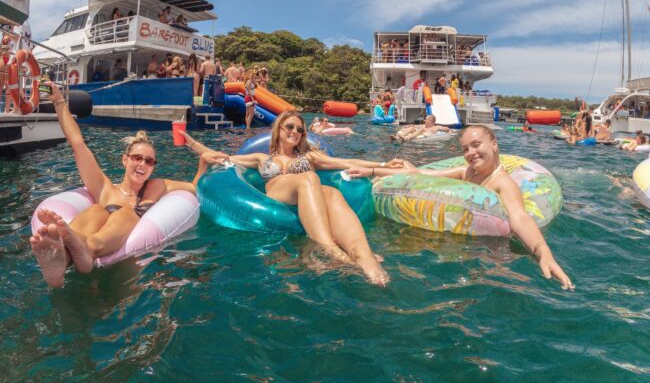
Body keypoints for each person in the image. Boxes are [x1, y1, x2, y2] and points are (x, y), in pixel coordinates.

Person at [180, 111, 406, 285]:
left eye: (300, 129)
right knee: (307, 178)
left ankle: (366, 259)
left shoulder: (309, 156)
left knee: (333, 193)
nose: (295, 132)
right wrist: (192, 144)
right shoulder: (261, 158)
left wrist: (383, 164)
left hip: (306, 194)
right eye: (290, 127)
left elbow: (348, 163)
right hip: (276, 197)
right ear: (279, 129)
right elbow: (224, 158)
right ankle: (329, 249)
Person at [29, 81, 209, 288]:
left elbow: (195, 188)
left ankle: (84, 248)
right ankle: (61, 257)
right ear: (125, 160)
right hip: (95, 246)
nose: (142, 164)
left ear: (153, 167)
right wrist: (59, 102)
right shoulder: (106, 189)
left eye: (149, 161)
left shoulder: (158, 186)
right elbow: (77, 144)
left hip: (126, 267)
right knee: (97, 210)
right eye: (137, 158)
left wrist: (203, 159)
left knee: (126, 213)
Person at [349, 125, 574, 290]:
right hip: (457, 241)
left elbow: (520, 217)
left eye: (476, 145)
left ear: (494, 145)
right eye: (465, 149)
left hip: (492, 252)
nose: (470, 153)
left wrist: (543, 253)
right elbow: (420, 174)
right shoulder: (468, 172)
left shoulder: (503, 183)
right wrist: (372, 171)